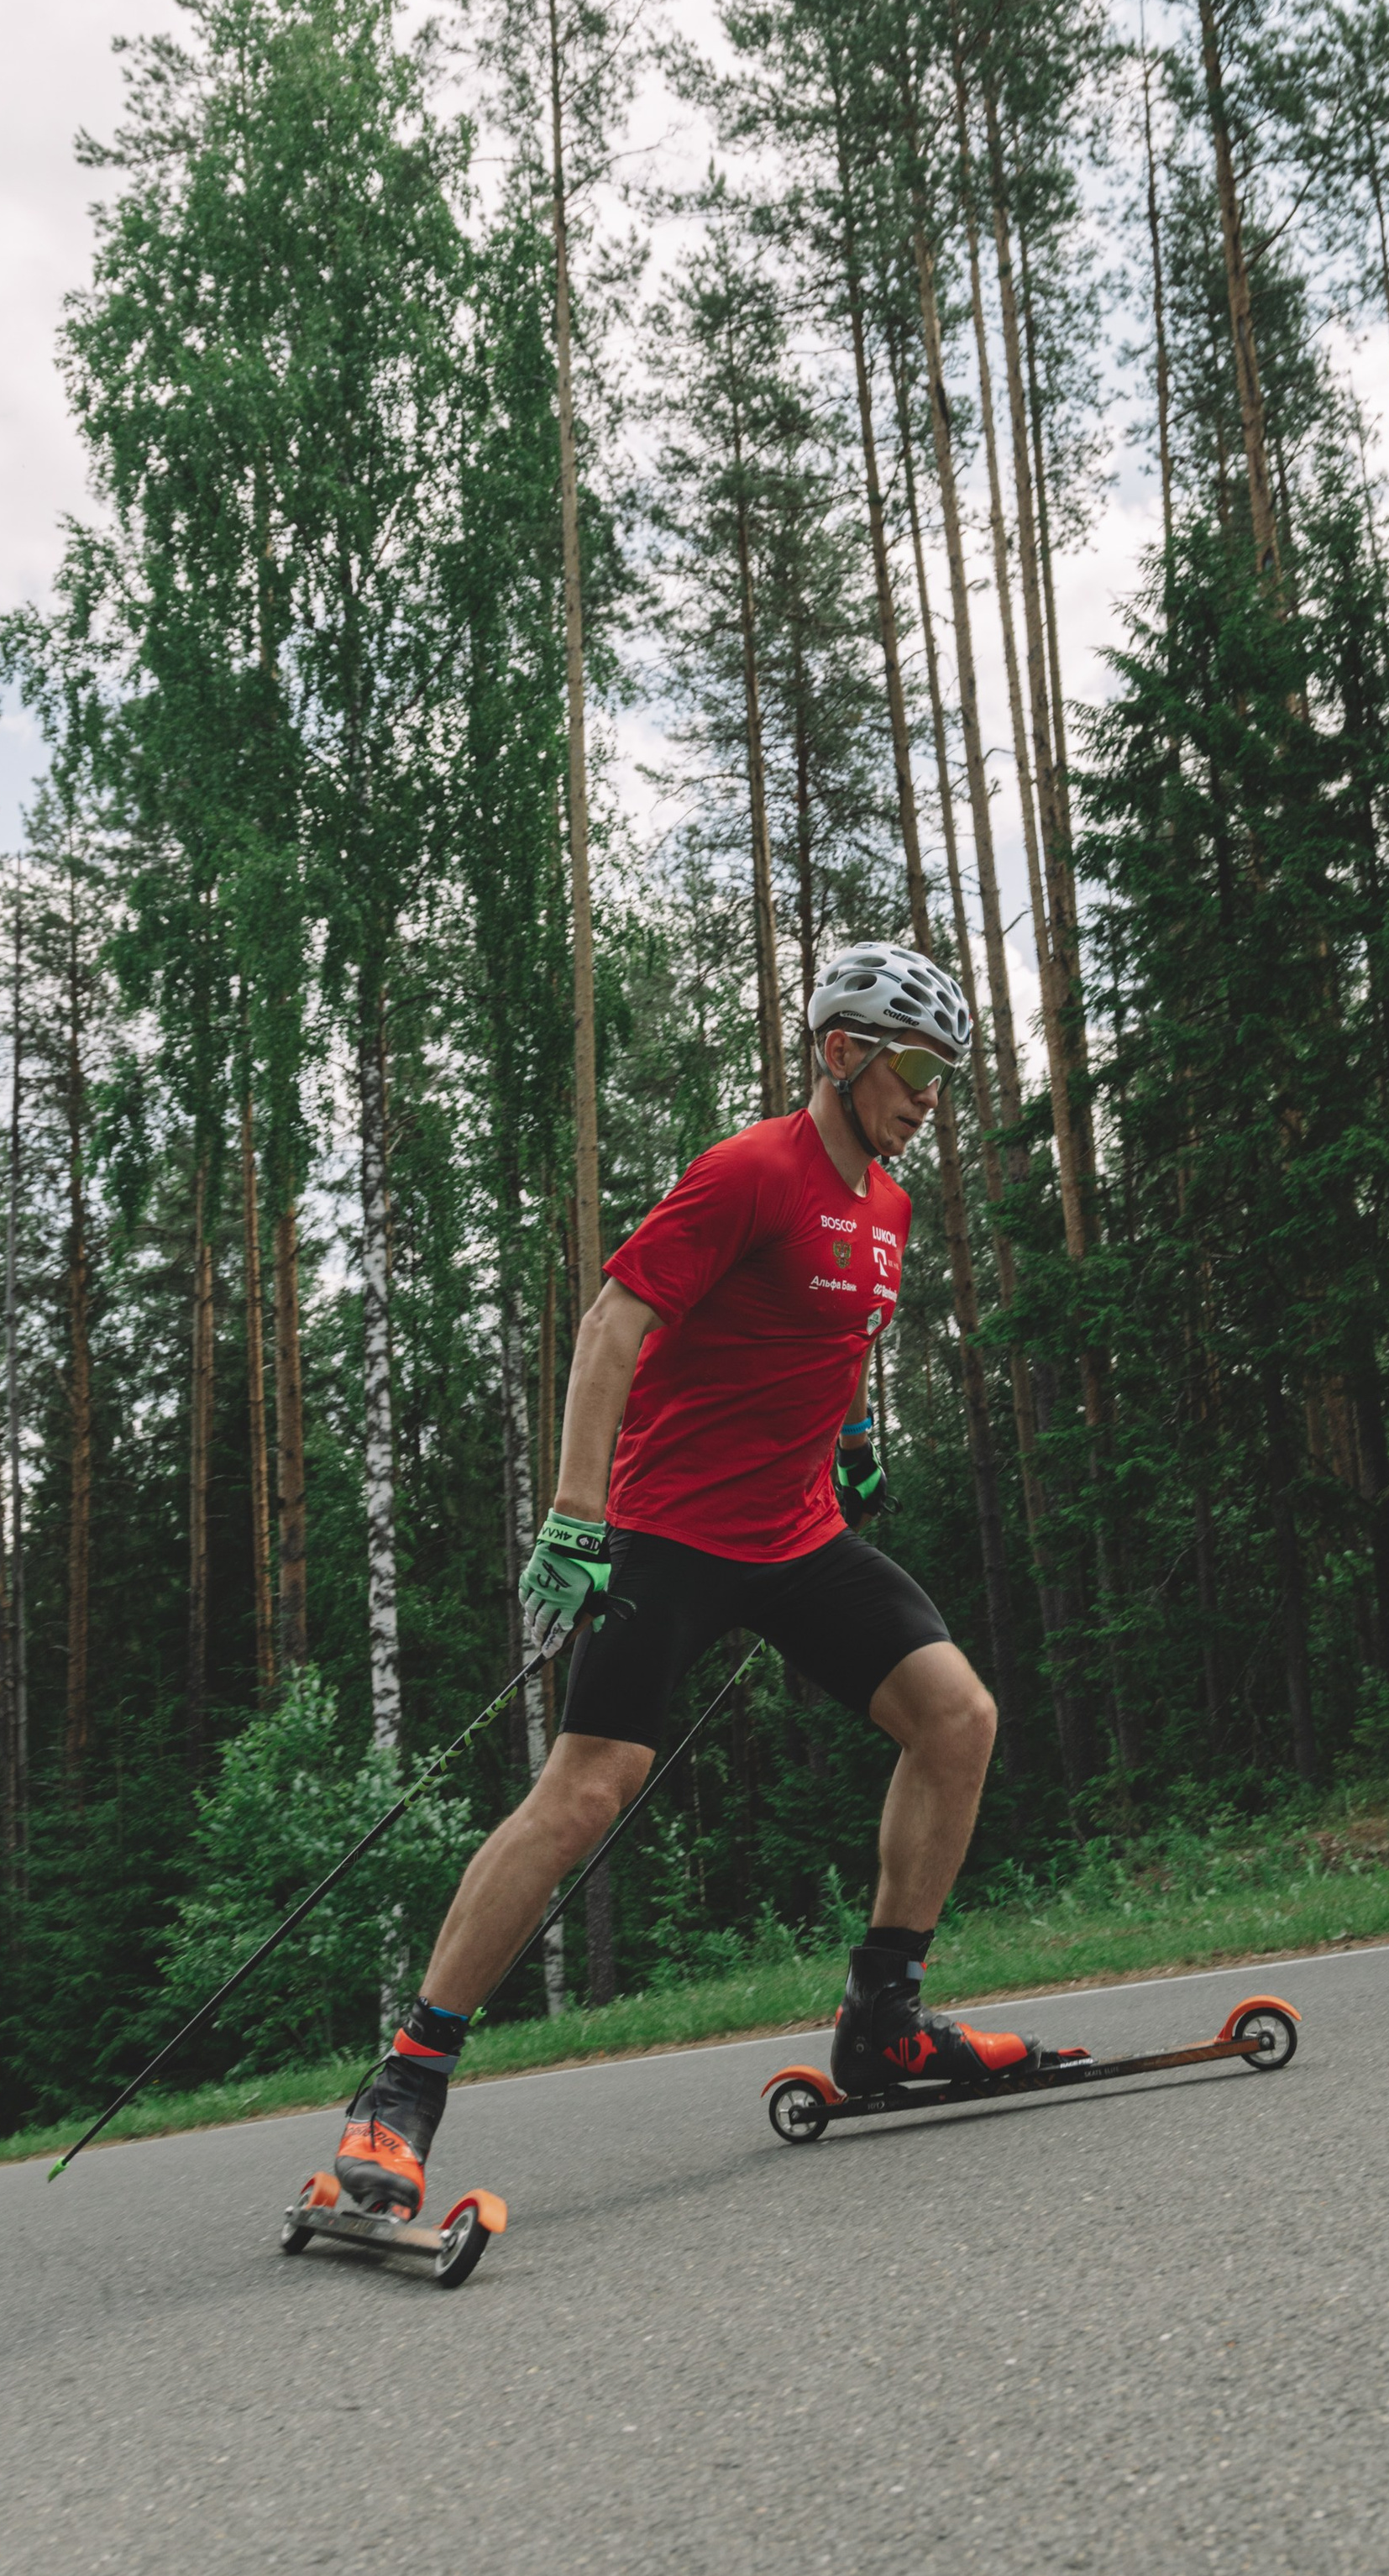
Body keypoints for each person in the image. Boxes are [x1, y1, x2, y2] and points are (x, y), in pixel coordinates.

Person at [335, 942, 1051, 2217]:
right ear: (843, 1054)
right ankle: (402, 2090)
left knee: (960, 1719)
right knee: (584, 1794)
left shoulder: (885, 1207)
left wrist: (854, 1441)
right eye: (915, 1070)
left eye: (946, 1076)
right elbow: (615, 1325)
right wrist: (573, 1518)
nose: (932, 1098)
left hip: (799, 1536)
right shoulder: (747, 1174)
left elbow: (828, 1340)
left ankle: (884, 2019)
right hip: (670, 1532)